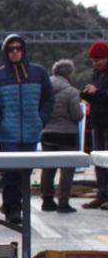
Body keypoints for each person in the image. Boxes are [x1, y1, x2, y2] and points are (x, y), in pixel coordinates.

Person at [0, 33, 54, 226]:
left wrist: (41, 120)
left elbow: (48, 99)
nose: (15, 52)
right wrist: (0, 123)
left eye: (18, 48)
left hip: (31, 133)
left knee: (24, 174)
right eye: (11, 48)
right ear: (6, 52)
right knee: (10, 174)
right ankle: (14, 210)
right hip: (7, 135)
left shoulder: (38, 73)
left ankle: (12, 205)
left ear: (24, 50)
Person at [40, 58, 84, 212]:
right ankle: (63, 202)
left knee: (48, 168)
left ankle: (47, 200)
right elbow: (77, 115)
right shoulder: (71, 91)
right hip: (67, 135)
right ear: (70, 74)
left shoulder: (44, 89)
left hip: (47, 133)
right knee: (67, 169)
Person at [83, 41, 108, 207]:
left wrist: (97, 92)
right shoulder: (97, 73)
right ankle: (102, 193)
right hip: (97, 122)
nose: (95, 63)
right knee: (98, 159)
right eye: (93, 60)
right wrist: (88, 95)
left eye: (98, 59)